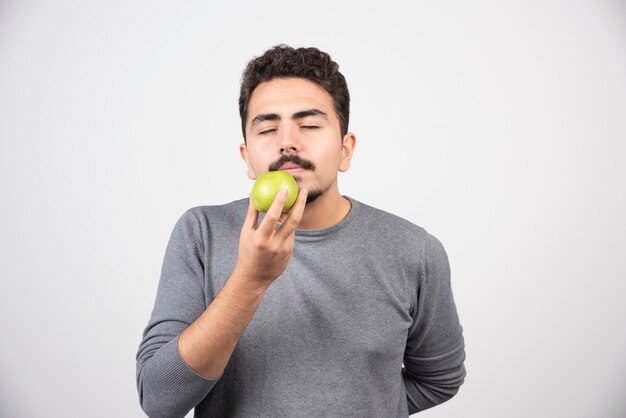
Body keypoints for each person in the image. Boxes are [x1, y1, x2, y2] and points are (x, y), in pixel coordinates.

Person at [136, 44, 466, 418]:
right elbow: (159, 400)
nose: (287, 141)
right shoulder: (201, 234)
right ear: (247, 157)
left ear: (346, 150)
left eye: (309, 125)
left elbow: (439, 379)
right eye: (268, 127)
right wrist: (249, 280)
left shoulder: (414, 250)